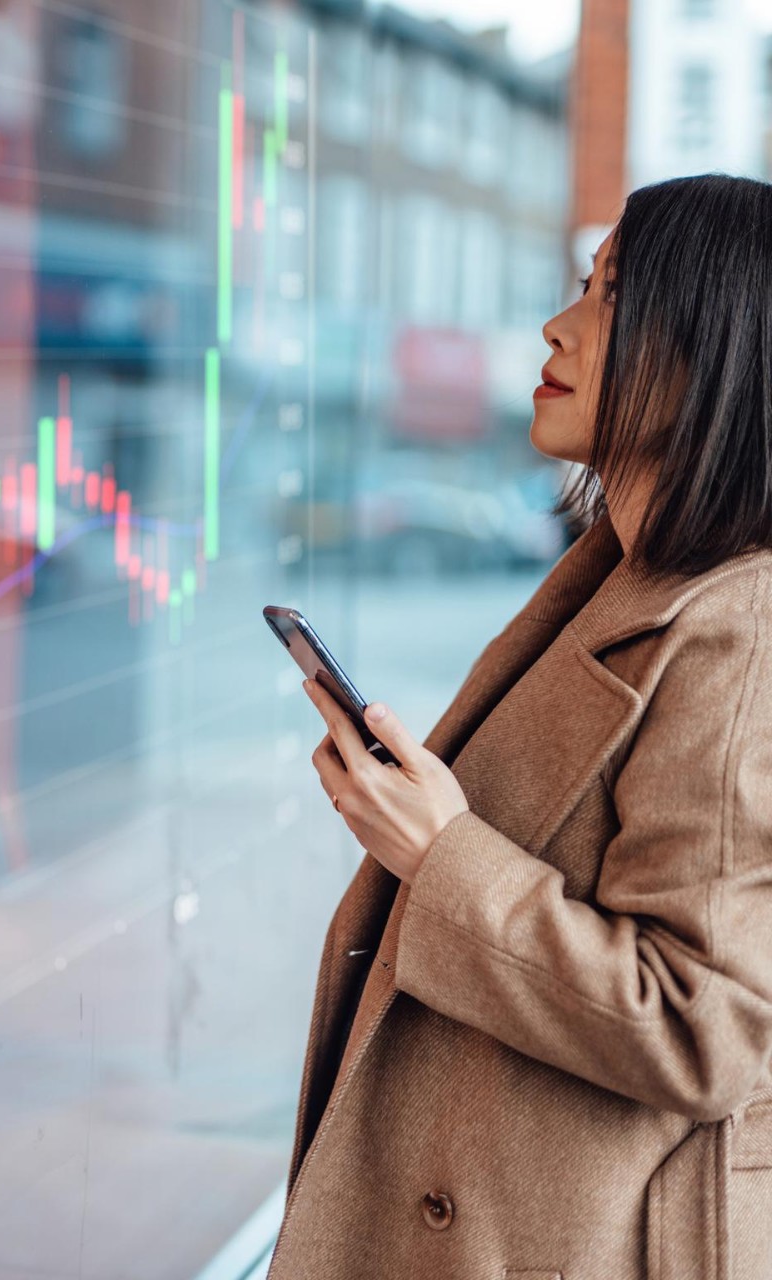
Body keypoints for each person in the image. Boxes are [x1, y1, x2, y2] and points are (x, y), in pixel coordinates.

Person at [269, 173, 772, 1278]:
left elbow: (706, 1024)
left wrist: (437, 855)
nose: (557, 323)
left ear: (710, 347)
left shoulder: (738, 628)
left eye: (609, 292)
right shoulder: (615, 581)